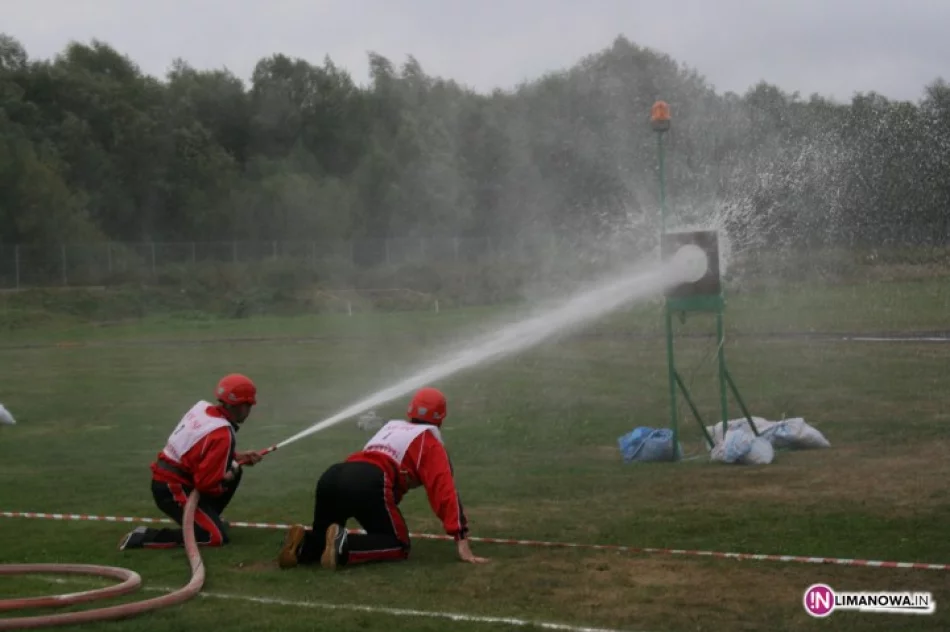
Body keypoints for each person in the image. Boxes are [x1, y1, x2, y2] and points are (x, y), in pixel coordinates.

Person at [277, 386, 489, 570]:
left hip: (333, 475)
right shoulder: (429, 443)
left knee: (323, 538)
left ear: (410, 410)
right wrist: (461, 538)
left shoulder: (390, 427)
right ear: (441, 417)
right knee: (398, 544)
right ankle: (345, 545)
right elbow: (444, 491)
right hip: (367, 482)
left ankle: (304, 544)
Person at [118, 373, 264, 550]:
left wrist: (236, 457)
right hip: (173, 489)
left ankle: (208, 519)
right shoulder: (223, 434)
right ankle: (142, 537)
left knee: (234, 468)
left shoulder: (202, 408)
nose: (249, 410)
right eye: (248, 405)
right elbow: (205, 484)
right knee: (213, 537)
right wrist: (228, 474)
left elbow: (198, 450)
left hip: (168, 479)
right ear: (241, 405)